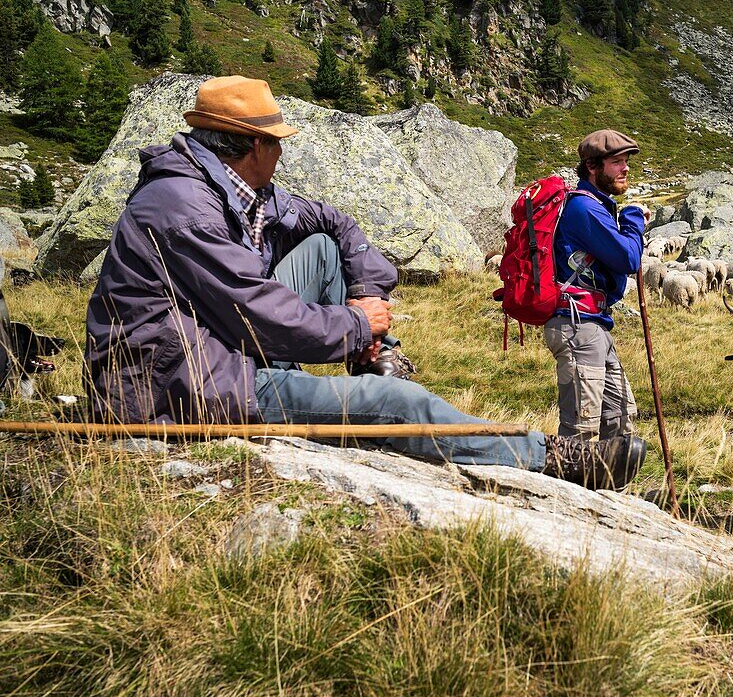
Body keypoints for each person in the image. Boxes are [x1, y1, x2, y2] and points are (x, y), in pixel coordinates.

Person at [84, 76, 645, 489]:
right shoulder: (183, 206)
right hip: (183, 384)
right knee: (396, 403)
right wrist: (357, 324)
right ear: (254, 146)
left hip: (215, 342)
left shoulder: (226, 187)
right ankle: (551, 457)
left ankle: (376, 358)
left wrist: (367, 299)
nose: (281, 152)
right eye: (277, 142)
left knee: (327, 250)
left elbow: (332, 223)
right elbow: (258, 314)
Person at [543, 130, 648, 441]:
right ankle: (565, 488)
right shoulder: (584, 209)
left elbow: (613, 276)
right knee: (582, 431)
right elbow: (628, 257)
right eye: (617, 162)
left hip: (593, 325)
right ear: (592, 166)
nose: (625, 169)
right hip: (578, 327)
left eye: (626, 162)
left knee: (619, 420)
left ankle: (609, 488)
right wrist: (633, 219)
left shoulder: (595, 206)